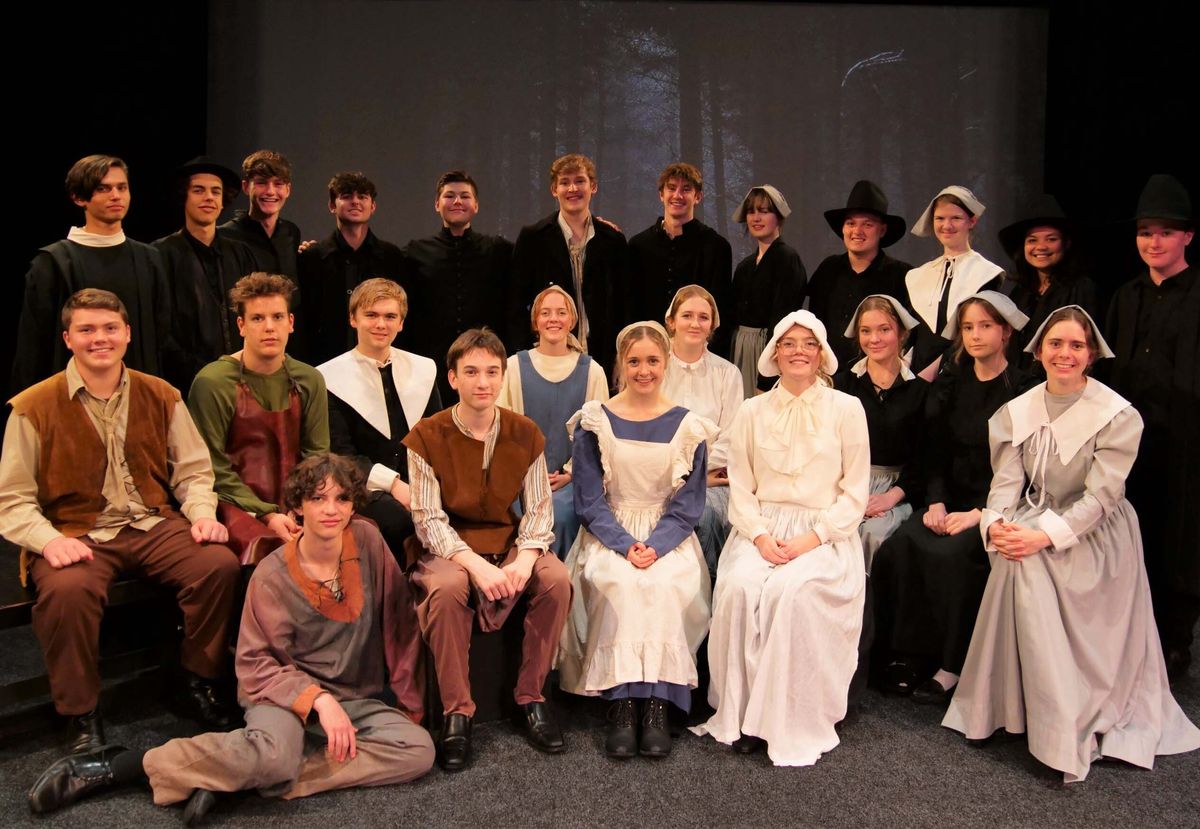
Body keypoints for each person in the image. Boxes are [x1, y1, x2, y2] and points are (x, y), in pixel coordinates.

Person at [27, 454, 434, 820]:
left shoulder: (367, 540)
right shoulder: (271, 575)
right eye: (318, 499)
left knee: (417, 750)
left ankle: (233, 777)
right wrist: (318, 700)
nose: (331, 510)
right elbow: (256, 666)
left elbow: (399, 624)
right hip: (282, 697)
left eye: (342, 499)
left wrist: (410, 703)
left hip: (353, 699)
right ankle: (119, 766)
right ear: (297, 505)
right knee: (274, 754)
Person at [943, 306, 1200, 782]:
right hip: (1036, 516)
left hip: (1095, 534)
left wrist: (1042, 537)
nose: (1065, 353)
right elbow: (1006, 484)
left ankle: (1060, 727)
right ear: (1039, 351)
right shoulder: (1018, 411)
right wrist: (996, 526)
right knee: (1014, 559)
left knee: (1027, 564)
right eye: (1055, 344)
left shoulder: (1116, 415)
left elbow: (1102, 498)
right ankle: (1011, 709)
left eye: (1076, 345)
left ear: (1091, 354)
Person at [0, 289, 240, 754]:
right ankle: (79, 711)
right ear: (68, 338)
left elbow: (192, 471)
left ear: (127, 334)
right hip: (75, 530)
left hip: (152, 522)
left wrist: (201, 514)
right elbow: (13, 499)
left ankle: (197, 678)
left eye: (110, 328)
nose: (100, 338)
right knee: (67, 591)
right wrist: (48, 542)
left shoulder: (161, 393)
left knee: (217, 565)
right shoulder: (33, 406)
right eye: (87, 329)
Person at [693, 310, 870, 766]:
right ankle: (742, 713)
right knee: (739, 588)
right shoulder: (752, 411)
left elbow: (855, 494)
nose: (798, 352)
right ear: (774, 352)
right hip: (761, 529)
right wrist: (758, 536)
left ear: (822, 354)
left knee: (790, 593)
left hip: (824, 533)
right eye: (788, 343)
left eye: (808, 344)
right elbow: (741, 486)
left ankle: (782, 718)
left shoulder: (847, 409)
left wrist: (814, 537)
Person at [403, 328, 572, 771]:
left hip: (507, 538)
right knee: (446, 588)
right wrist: (476, 566)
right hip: (449, 545)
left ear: (503, 376)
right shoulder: (427, 435)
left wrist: (526, 558)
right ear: (453, 377)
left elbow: (539, 507)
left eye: (492, 372)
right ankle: (457, 712)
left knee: (556, 579)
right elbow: (428, 518)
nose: (483, 382)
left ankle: (531, 697)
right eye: (472, 372)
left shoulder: (524, 432)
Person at [558, 321, 716, 759]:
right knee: (623, 584)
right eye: (634, 361)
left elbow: (689, 504)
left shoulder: (689, 426)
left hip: (667, 533)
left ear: (665, 364)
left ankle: (658, 705)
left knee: (664, 584)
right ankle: (624, 704)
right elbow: (589, 500)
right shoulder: (595, 421)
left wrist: (656, 546)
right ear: (620, 365)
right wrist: (626, 545)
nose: (643, 370)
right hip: (610, 531)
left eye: (652, 361)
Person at [871, 292, 1030, 705]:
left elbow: (1024, 469)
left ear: (1005, 332)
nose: (975, 335)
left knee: (954, 557)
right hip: (947, 497)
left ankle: (952, 663)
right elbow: (933, 450)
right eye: (968, 327)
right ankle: (906, 653)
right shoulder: (950, 382)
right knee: (901, 546)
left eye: (985, 326)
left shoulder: (1023, 388)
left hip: (996, 505)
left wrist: (981, 514)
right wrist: (937, 501)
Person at [1104, 174, 1198, 680]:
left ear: (1187, 236)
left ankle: (1175, 641)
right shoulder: (1125, 296)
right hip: (1130, 439)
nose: (1154, 242)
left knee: (1179, 538)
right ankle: (1127, 638)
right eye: (1145, 232)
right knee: (1128, 533)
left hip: (1185, 439)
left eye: (1165, 232)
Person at [188, 273, 330, 564]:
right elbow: (212, 466)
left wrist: (302, 507)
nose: (269, 327)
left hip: (298, 502)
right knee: (267, 549)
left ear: (291, 322)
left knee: (360, 533)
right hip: (235, 503)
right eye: (257, 318)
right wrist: (267, 514)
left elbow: (317, 455)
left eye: (277, 317)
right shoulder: (213, 382)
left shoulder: (309, 379)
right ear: (241, 325)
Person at [13, 155, 171, 390]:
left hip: (136, 394)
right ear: (79, 198)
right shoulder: (54, 262)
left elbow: (162, 337)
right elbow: (33, 346)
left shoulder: (149, 259)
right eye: (103, 189)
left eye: (122, 187)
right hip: (71, 396)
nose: (116, 195)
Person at [318, 279, 441, 559]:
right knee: (396, 521)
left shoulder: (423, 369)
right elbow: (341, 455)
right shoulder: (328, 378)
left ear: (401, 323)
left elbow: (436, 439)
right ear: (353, 319)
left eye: (390, 316)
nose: (381, 324)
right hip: (360, 485)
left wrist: (425, 488)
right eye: (371, 315)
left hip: (419, 482)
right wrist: (395, 485)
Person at [498, 285, 609, 557]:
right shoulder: (514, 367)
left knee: (559, 515)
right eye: (545, 313)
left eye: (561, 312)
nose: (553, 319)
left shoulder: (592, 371)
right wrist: (525, 473)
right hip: (520, 479)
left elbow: (601, 435)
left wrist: (571, 473)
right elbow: (500, 427)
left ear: (572, 320)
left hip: (571, 481)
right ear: (535, 320)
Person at [832, 295, 927, 569]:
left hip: (896, 490)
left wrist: (890, 497)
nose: (874, 339)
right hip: (844, 484)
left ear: (902, 333)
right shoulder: (842, 384)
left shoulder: (920, 392)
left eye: (884, 329)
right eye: (866, 331)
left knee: (874, 535)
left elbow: (924, 459)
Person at [510, 153, 628, 374]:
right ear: (554, 190)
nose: (573, 188)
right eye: (565, 182)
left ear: (593, 187)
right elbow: (516, 303)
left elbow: (623, 305)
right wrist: (526, 355)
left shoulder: (613, 241)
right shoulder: (533, 239)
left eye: (580, 181)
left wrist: (621, 358)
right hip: (547, 358)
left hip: (602, 359)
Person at [403, 171, 514, 403]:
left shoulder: (498, 251)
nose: (457, 201)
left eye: (464, 196)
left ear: (476, 205)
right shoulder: (415, 253)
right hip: (430, 368)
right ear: (437, 204)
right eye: (449, 196)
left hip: (485, 367)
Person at [154, 157, 259, 391]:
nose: (209, 197)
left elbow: (254, 312)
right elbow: (161, 329)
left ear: (223, 201)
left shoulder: (241, 253)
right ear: (184, 196)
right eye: (199, 190)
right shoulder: (160, 255)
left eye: (215, 191)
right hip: (184, 383)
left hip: (243, 379)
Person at [661, 284, 744, 578]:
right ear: (671, 321)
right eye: (687, 315)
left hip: (711, 479)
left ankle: (708, 591)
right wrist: (675, 476)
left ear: (712, 325)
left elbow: (732, 437)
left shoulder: (727, 374)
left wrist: (696, 477)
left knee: (704, 514)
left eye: (703, 317)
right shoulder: (655, 368)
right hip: (658, 475)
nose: (695, 323)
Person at [298, 172, 408, 365]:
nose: (355, 202)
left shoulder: (392, 257)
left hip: (380, 363)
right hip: (323, 363)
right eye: (347, 196)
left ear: (372, 206)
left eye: (362, 197)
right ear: (332, 205)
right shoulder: (311, 258)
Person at [628, 163, 734, 355]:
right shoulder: (638, 246)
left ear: (698, 197)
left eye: (686, 189)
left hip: (699, 354)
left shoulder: (717, 247)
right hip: (648, 352)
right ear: (661, 194)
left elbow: (721, 311)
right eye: (671, 188)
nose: (677, 195)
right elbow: (631, 308)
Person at [808, 180, 913, 369]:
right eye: (850, 223)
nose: (857, 231)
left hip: (879, 376)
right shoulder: (828, 269)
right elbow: (814, 324)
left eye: (867, 224)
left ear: (882, 230)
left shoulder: (902, 275)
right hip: (829, 375)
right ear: (843, 228)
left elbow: (910, 336)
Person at [904, 186, 1005, 375]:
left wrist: (933, 373)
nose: (947, 226)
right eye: (940, 218)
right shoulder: (918, 275)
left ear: (972, 221)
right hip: (918, 372)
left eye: (956, 218)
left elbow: (976, 333)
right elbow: (914, 334)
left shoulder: (986, 273)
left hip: (962, 370)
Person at [725, 185, 807, 397]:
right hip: (739, 347)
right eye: (751, 212)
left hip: (767, 348)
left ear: (778, 217)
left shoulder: (787, 259)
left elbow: (782, 318)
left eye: (763, 211)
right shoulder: (745, 266)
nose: (756, 218)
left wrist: (766, 375)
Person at [997, 195, 1100, 363]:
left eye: (1051, 239)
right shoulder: (1020, 292)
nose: (1041, 247)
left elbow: (1088, 347)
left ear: (1066, 243)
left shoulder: (1082, 289)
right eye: (1032, 240)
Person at [220, 150, 302, 280]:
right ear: (246, 187)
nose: (270, 191)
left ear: (288, 190)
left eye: (278, 184)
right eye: (261, 182)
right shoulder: (225, 236)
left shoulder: (291, 232)